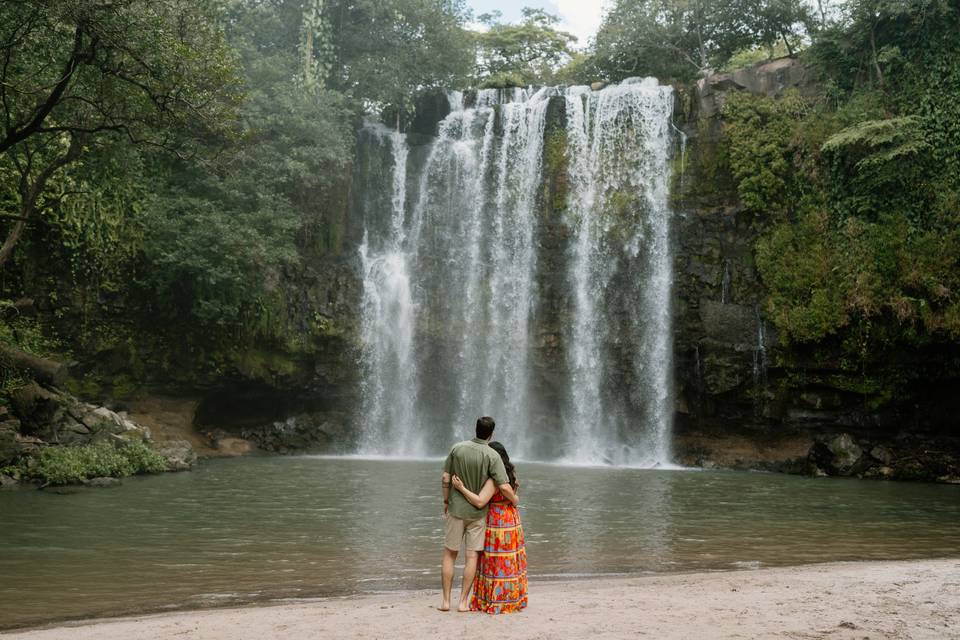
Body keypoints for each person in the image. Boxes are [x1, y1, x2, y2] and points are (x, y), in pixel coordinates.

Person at [440, 416, 519, 612]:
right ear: (491, 433)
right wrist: (515, 500)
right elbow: (503, 485)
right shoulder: (492, 456)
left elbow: (445, 477)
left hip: (456, 509)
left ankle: (445, 601)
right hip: (478, 513)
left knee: (450, 554)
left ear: (474, 429)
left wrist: (446, 500)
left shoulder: (457, 448)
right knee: (471, 557)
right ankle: (463, 603)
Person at [451, 441, 527, 614]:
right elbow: (514, 498)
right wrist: (515, 500)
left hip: (496, 521)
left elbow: (479, 501)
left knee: (494, 560)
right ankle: (511, 597)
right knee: (509, 560)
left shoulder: (494, 480)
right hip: (511, 519)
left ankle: (496, 599)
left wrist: (461, 488)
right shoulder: (512, 475)